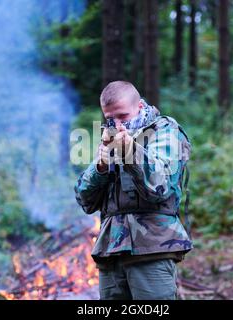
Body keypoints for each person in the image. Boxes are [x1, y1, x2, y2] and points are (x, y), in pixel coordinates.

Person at [74, 81, 192, 300]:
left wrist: (130, 151)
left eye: (123, 116)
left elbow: (160, 186)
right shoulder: (111, 139)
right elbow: (84, 200)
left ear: (139, 106)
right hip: (111, 252)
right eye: (110, 118)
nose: (117, 124)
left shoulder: (165, 131)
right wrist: (100, 167)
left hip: (152, 249)